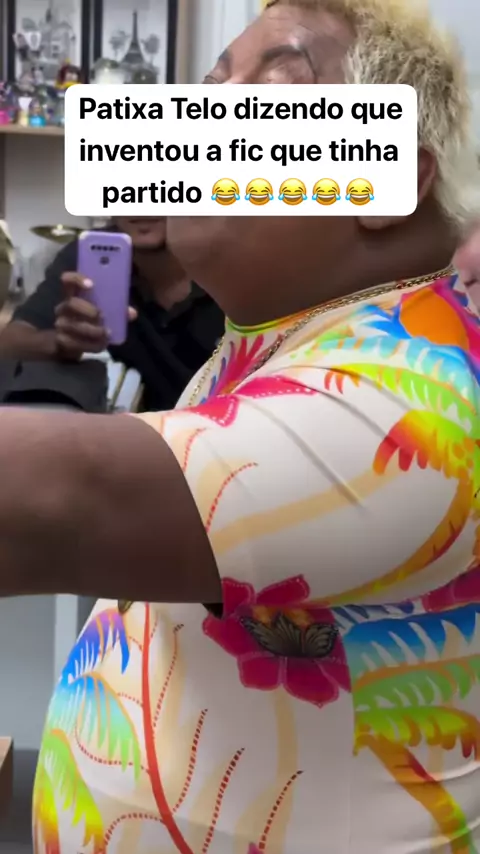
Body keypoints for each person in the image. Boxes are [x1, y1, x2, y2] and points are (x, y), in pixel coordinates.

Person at [1, 0, 480, 851]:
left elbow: (57, 501)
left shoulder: (417, 395)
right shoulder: (276, 336)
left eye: (272, 87)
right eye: (212, 85)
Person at [0, 217, 224, 410]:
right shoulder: (88, 252)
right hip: (132, 431)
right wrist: (63, 343)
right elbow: (10, 343)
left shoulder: (227, 257)